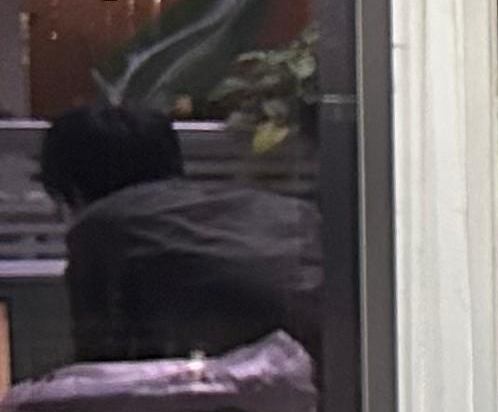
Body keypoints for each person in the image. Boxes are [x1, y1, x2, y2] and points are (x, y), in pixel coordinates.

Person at [37, 103, 321, 363]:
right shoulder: (273, 207)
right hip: (331, 363)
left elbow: (100, 367)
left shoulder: (101, 226)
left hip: (256, 377)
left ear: (71, 187)